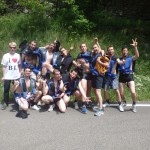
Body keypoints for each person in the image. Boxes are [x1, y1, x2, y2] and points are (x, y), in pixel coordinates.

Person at [118, 39, 139, 113]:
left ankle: (134, 104)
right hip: (122, 76)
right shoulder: (119, 59)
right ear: (122, 51)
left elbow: (137, 55)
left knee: (133, 92)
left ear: (127, 51)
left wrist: (135, 47)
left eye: (126, 50)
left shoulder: (130, 58)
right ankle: (124, 102)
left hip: (129, 75)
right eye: (124, 50)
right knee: (122, 93)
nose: (125, 51)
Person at [103, 45, 125, 112]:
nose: (110, 50)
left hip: (113, 77)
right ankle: (107, 102)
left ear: (113, 50)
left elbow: (119, 61)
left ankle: (120, 104)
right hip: (106, 76)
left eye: (112, 49)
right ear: (108, 50)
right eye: (109, 49)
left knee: (117, 91)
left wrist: (122, 62)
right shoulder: (106, 56)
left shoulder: (116, 57)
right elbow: (101, 50)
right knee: (105, 90)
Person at [90, 44, 109, 116]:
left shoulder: (101, 56)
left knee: (98, 92)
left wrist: (99, 61)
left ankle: (101, 109)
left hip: (99, 76)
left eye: (96, 47)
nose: (95, 49)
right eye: (93, 48)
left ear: (99, 48)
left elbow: (107, 65)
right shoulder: (93, 55)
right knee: (95, 91)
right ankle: (99, 106)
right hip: (94, 75)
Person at [1, 42, 21, 110]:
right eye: (11, 47)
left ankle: (16, 102)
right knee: (6, 90)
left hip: (16, 75)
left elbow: (19, 65)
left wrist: (20, 73)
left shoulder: (18, 55)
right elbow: (3, 66)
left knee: (16, 89)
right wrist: (3, 76)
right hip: (7, 76)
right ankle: (5, 103)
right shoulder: (5, 56)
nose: (12, 48)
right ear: (9, 47)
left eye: (14, 47)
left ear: (16, 48)